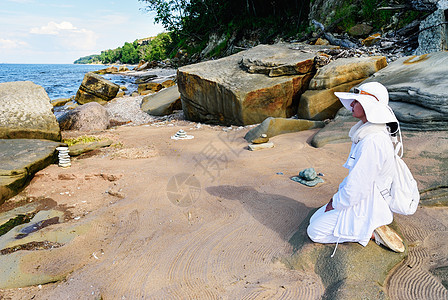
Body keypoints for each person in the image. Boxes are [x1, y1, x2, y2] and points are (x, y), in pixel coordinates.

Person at [307, 81, 405, 255]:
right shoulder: (369, 132)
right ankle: (369, 226)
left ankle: (370, 231)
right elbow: (358, 181)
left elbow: (358, 186)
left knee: (315, 231)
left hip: (367, 203)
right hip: (363, 196)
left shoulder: (371, 141)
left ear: (369, 106)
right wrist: (336, 200)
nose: (351, 104)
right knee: (315, 217)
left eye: (356, 101)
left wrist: (336, 202)